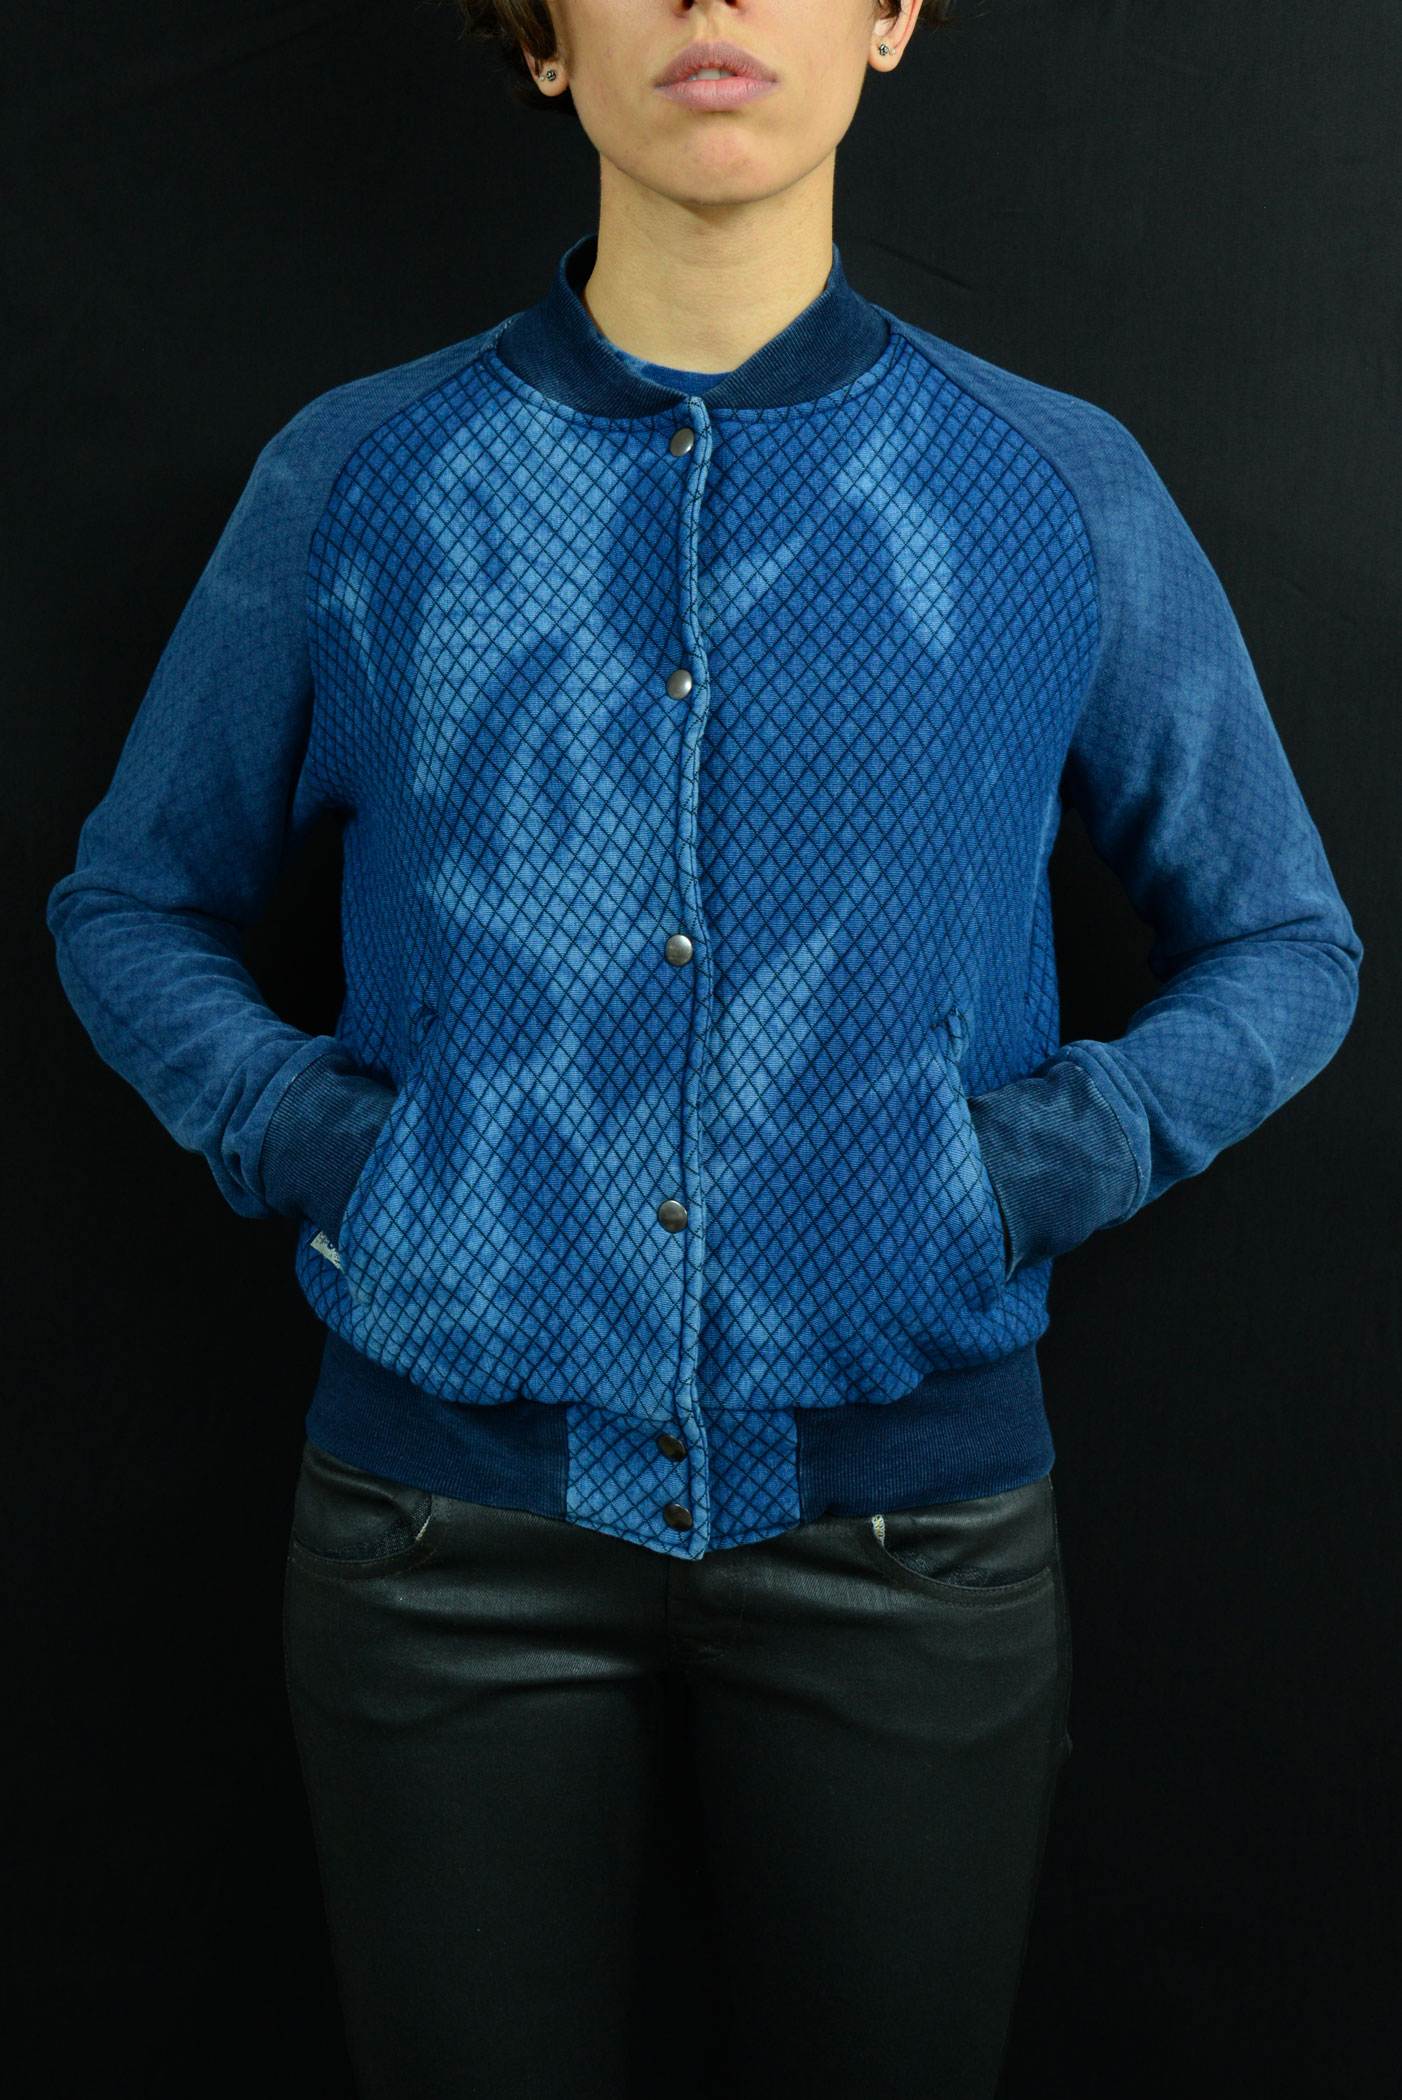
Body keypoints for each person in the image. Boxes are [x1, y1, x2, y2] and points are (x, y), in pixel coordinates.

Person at [45, 1, 1361, 2094]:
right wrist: (324, 1139)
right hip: (435, 1541)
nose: (712, 1)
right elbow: (131, 903)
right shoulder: (363, 476)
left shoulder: (1052, 486)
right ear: (540, 42)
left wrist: (1027, 1167)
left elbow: (1283, 941)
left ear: (890, 19)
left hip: (910, 1535)